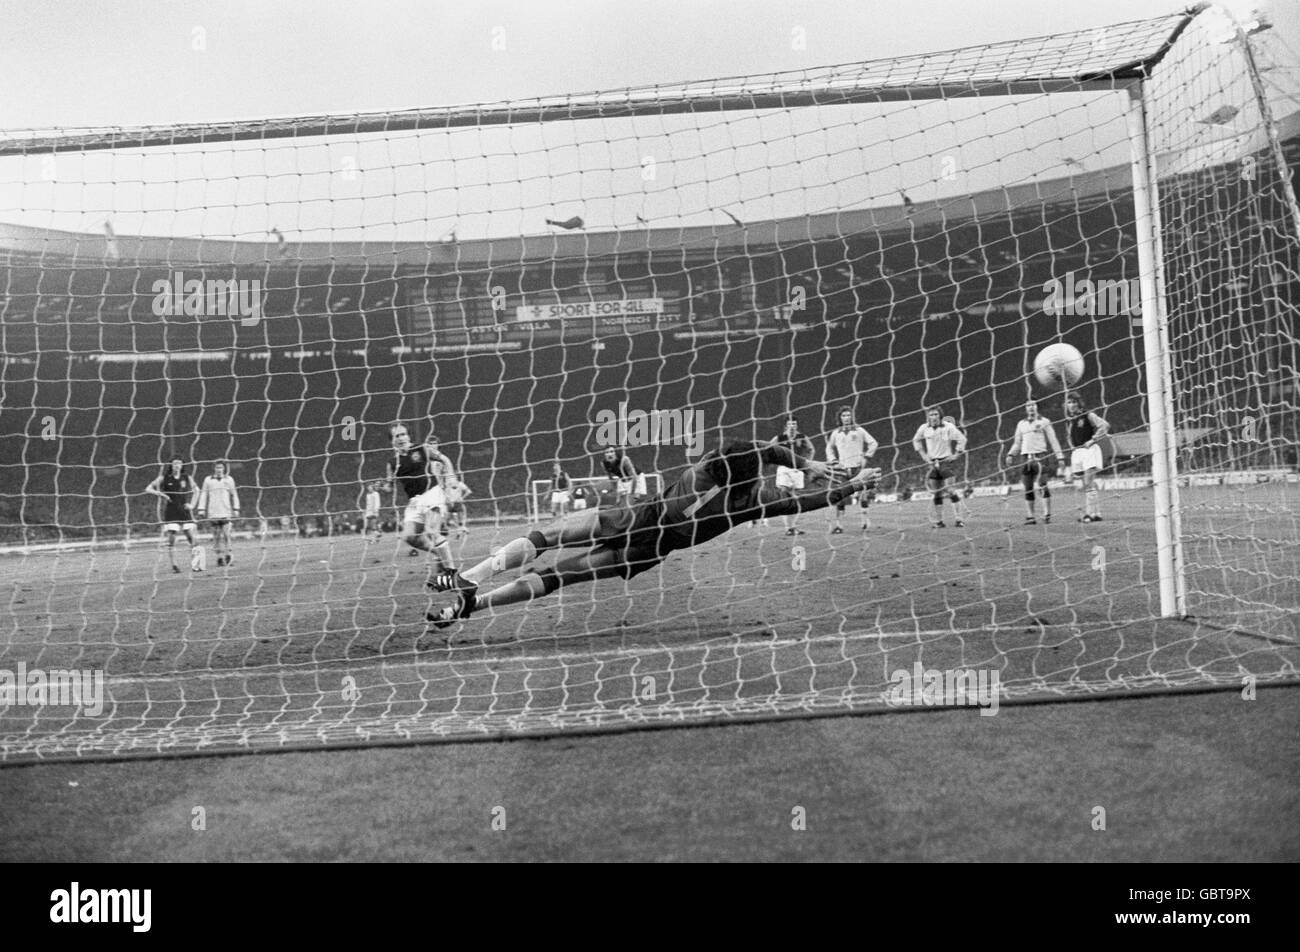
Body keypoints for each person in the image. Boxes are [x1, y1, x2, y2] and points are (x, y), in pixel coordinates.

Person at [426, 439, 878, 629]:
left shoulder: (703, 470)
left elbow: (759, 449)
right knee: (561, 574)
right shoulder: (750, 502)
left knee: (545, 536)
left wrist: (804, 463)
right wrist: (849, 484)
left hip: (636, 517)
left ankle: (470, 579)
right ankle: (472, 604)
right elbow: (805, 500)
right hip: (652, 548)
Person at [385, 423, 457, 570]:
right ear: (392, 440)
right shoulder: (392, 463)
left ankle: (452, 572)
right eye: (397, 436)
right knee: (409, 537)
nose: (401, 438)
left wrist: (451, 478)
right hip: (415, 501)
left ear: (409, 435)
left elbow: (445, 460)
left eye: (403, 434)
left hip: (432, 494)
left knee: (432, 532)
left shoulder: (421, 448)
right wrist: (382, 486)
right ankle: (439, 554)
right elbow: (389, 486)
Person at [1006, 401, 1065, 525]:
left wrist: (1060, 457)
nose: (1031, 407)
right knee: (1028, 488)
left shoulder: (1044, 421)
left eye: (1033, 405)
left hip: (1041, 457)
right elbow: (1017, 443)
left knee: (1043, 484)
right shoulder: (1021, 424)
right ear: (1025, 408)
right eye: (1028, 405)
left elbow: (1053, 440)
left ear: (1037, 407)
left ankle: (1047, 514)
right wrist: (1010, 454)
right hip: (1025, 458)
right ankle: (1030, 517)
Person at [912, 408, 968, 528]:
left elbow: (962, 439)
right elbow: (916, 440)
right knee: (937, 493)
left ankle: (959, 519)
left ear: (940, 415)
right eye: (931, 414)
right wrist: (924, 456)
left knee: (950, 490)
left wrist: (957, 455)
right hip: (932, 463)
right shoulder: (924, 428)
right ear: (928, 416)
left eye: (936, 414)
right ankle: (939, 522)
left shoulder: (948, 427)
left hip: (945, 462)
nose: (933, 416)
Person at [826, 406, 878, 532]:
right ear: (840, 418)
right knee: (841, 498)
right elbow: (829, 448)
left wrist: (866, 457)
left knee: (863, 495)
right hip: (843, 470)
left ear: (852, 417)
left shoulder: (859, 430)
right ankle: (839, 525)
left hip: (857, 468)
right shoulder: (836, 433)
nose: (846, 418)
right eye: (844, 416)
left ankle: (865, 522)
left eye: (848, 415)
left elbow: (873, 443)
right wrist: (833, 461)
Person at [144, 457, 200, 573]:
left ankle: (196, 564)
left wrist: (192, 505)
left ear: (182, 465)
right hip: (171, 511)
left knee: (191, 537)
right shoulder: (163, 478)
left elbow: (197, 490)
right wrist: (160, 494)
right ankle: (175, 565)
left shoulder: (187, 477)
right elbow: (148, 489)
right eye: (175, 463)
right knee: (172, 538)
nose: (177, 465)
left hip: (184, 510)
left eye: (179, 463)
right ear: (171, 465)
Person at [1064, 394, 1111, 523]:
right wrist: (1072, 446)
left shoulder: (1088, 415)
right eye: (1069, 402)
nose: (1071, 405)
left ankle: (1089, 514)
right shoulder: (1071, 420)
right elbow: (1069, 436)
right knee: (1086, 484)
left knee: (1088, 482)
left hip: (1089, 451)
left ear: (1079, 403)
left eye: (1074, 402)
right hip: (1078, 452)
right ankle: (1096, 513)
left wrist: (1093, 439)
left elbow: (1105, 425)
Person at [774, 417, 815, 535]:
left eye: (794, 424)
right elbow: (768, 449)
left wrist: (807, 463)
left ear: (797, 426)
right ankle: (788, 528)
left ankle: (793, 527)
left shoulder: (802, 437)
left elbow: (811, 449)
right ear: (786, 426)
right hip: (784, 469)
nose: (792, 426)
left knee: (795, 499)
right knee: (785, 497)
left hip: (797, 470)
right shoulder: (779, 438)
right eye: (790, 424)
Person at [196, 461, 241, 565]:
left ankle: (229, 556)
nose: (219, 469)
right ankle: (219, 557)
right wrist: (201, 509)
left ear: (224, 468)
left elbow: (234, 494)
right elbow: (204, 494)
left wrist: (236, 508)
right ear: (214, 468)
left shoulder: (229, 479)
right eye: (217, 467)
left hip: (226, 512)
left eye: (221, 467)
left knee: (226, 535)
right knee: (216, 536)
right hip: (213, 512)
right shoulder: (208, 480)